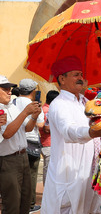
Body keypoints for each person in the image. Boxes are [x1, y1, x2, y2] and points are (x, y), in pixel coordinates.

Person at [41, 56, 101, 214]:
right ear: (62, 79)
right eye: (75, 75)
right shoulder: (58, 105)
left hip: (88, 176)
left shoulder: (85, 102)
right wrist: (92, 132)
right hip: (68, 176)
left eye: (81, 74)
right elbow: (69, 131)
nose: (80, 78)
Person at [0, 75, 41, 214]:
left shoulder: (12, 106)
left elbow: (27, 128)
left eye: (10, 88)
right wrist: (25, 113)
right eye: (5, 89)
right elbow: (7, 134)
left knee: (25, 200)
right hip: (8, 160)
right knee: (12, 203)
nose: (9, 91)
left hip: (22, 156)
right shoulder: (4, 109)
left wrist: (34, 116)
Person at [15, 78, 45, 213]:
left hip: (16, 143)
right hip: (31, 142)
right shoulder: (34, 105)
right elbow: (40, 124)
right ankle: (31, 204)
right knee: (31, 175)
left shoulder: (12, 102)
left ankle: (18, 203)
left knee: (17, 176)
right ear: (33, 91)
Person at [39, 90, 59, 185]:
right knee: (49, 170)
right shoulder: (48, 111)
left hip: (46, 143)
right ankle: (46, 193)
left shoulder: (43, 108)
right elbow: (47, 129)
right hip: (48, 143)